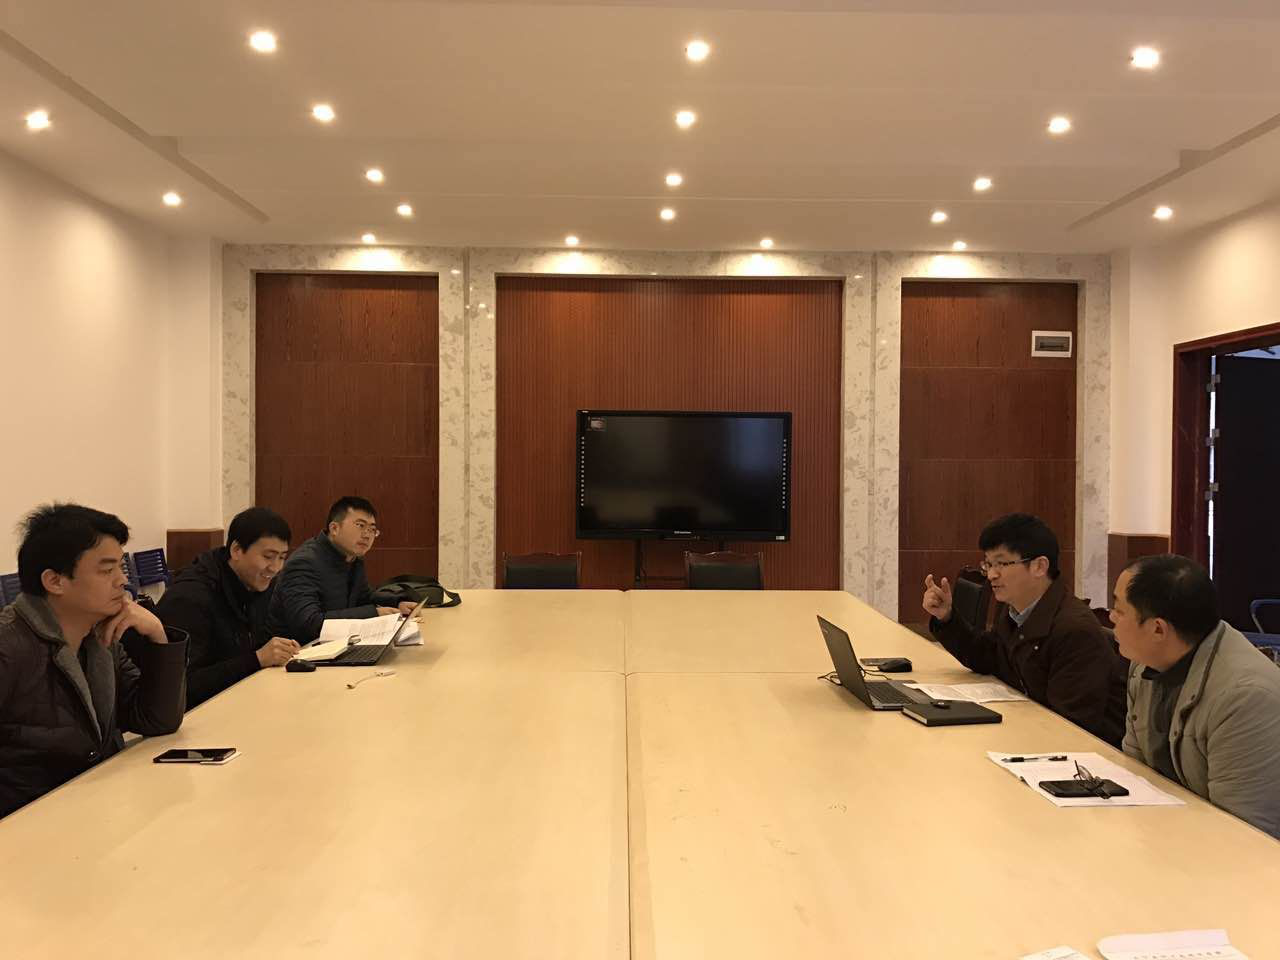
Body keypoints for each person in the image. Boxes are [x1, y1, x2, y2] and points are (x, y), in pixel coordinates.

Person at [0, 504, 187, 819]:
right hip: (31, 827)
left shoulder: (99, 637)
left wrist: (158, 635)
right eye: (106, 570)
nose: (122, 581)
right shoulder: (9, 647)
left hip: (96, 810)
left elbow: (155, 720)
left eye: (121, 568)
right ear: (55, 581)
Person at [1112, 554, 1280, 838]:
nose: (1111, 617)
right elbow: (1136, 774)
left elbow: (1244, 835)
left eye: (1119, 610)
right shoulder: (1145, 662)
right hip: (1165, 834)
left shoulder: (1246, 698)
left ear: (1157, 629)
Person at [922, 512, 1127, 745]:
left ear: (1039, 566)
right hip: (1029, 735)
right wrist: (947, 617)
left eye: (1001, 563)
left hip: (1080, 754)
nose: (991, 575)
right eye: (988, 564)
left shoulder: (1075, 631)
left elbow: (1069, 728)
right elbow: (987, 657)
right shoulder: (1015, 607)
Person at [156, 507, 299, 709]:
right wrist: (257, 659)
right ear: (236, 550)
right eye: (268, 556)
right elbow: (181, 687)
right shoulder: (190, 598)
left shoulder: (257, 584)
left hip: (243, 700)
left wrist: (281, 649)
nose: (275, 568)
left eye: (282, 557)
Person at [267, 496, 415, 642]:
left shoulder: (353, 558)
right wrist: (374, 613)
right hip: (298, 651)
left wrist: (397, 603)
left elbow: (364, 599)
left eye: (372, 529)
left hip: (336, 644)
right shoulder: (304, 563)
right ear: (334, 528)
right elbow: (309, 623)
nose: (367, 535)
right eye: (360, 526)